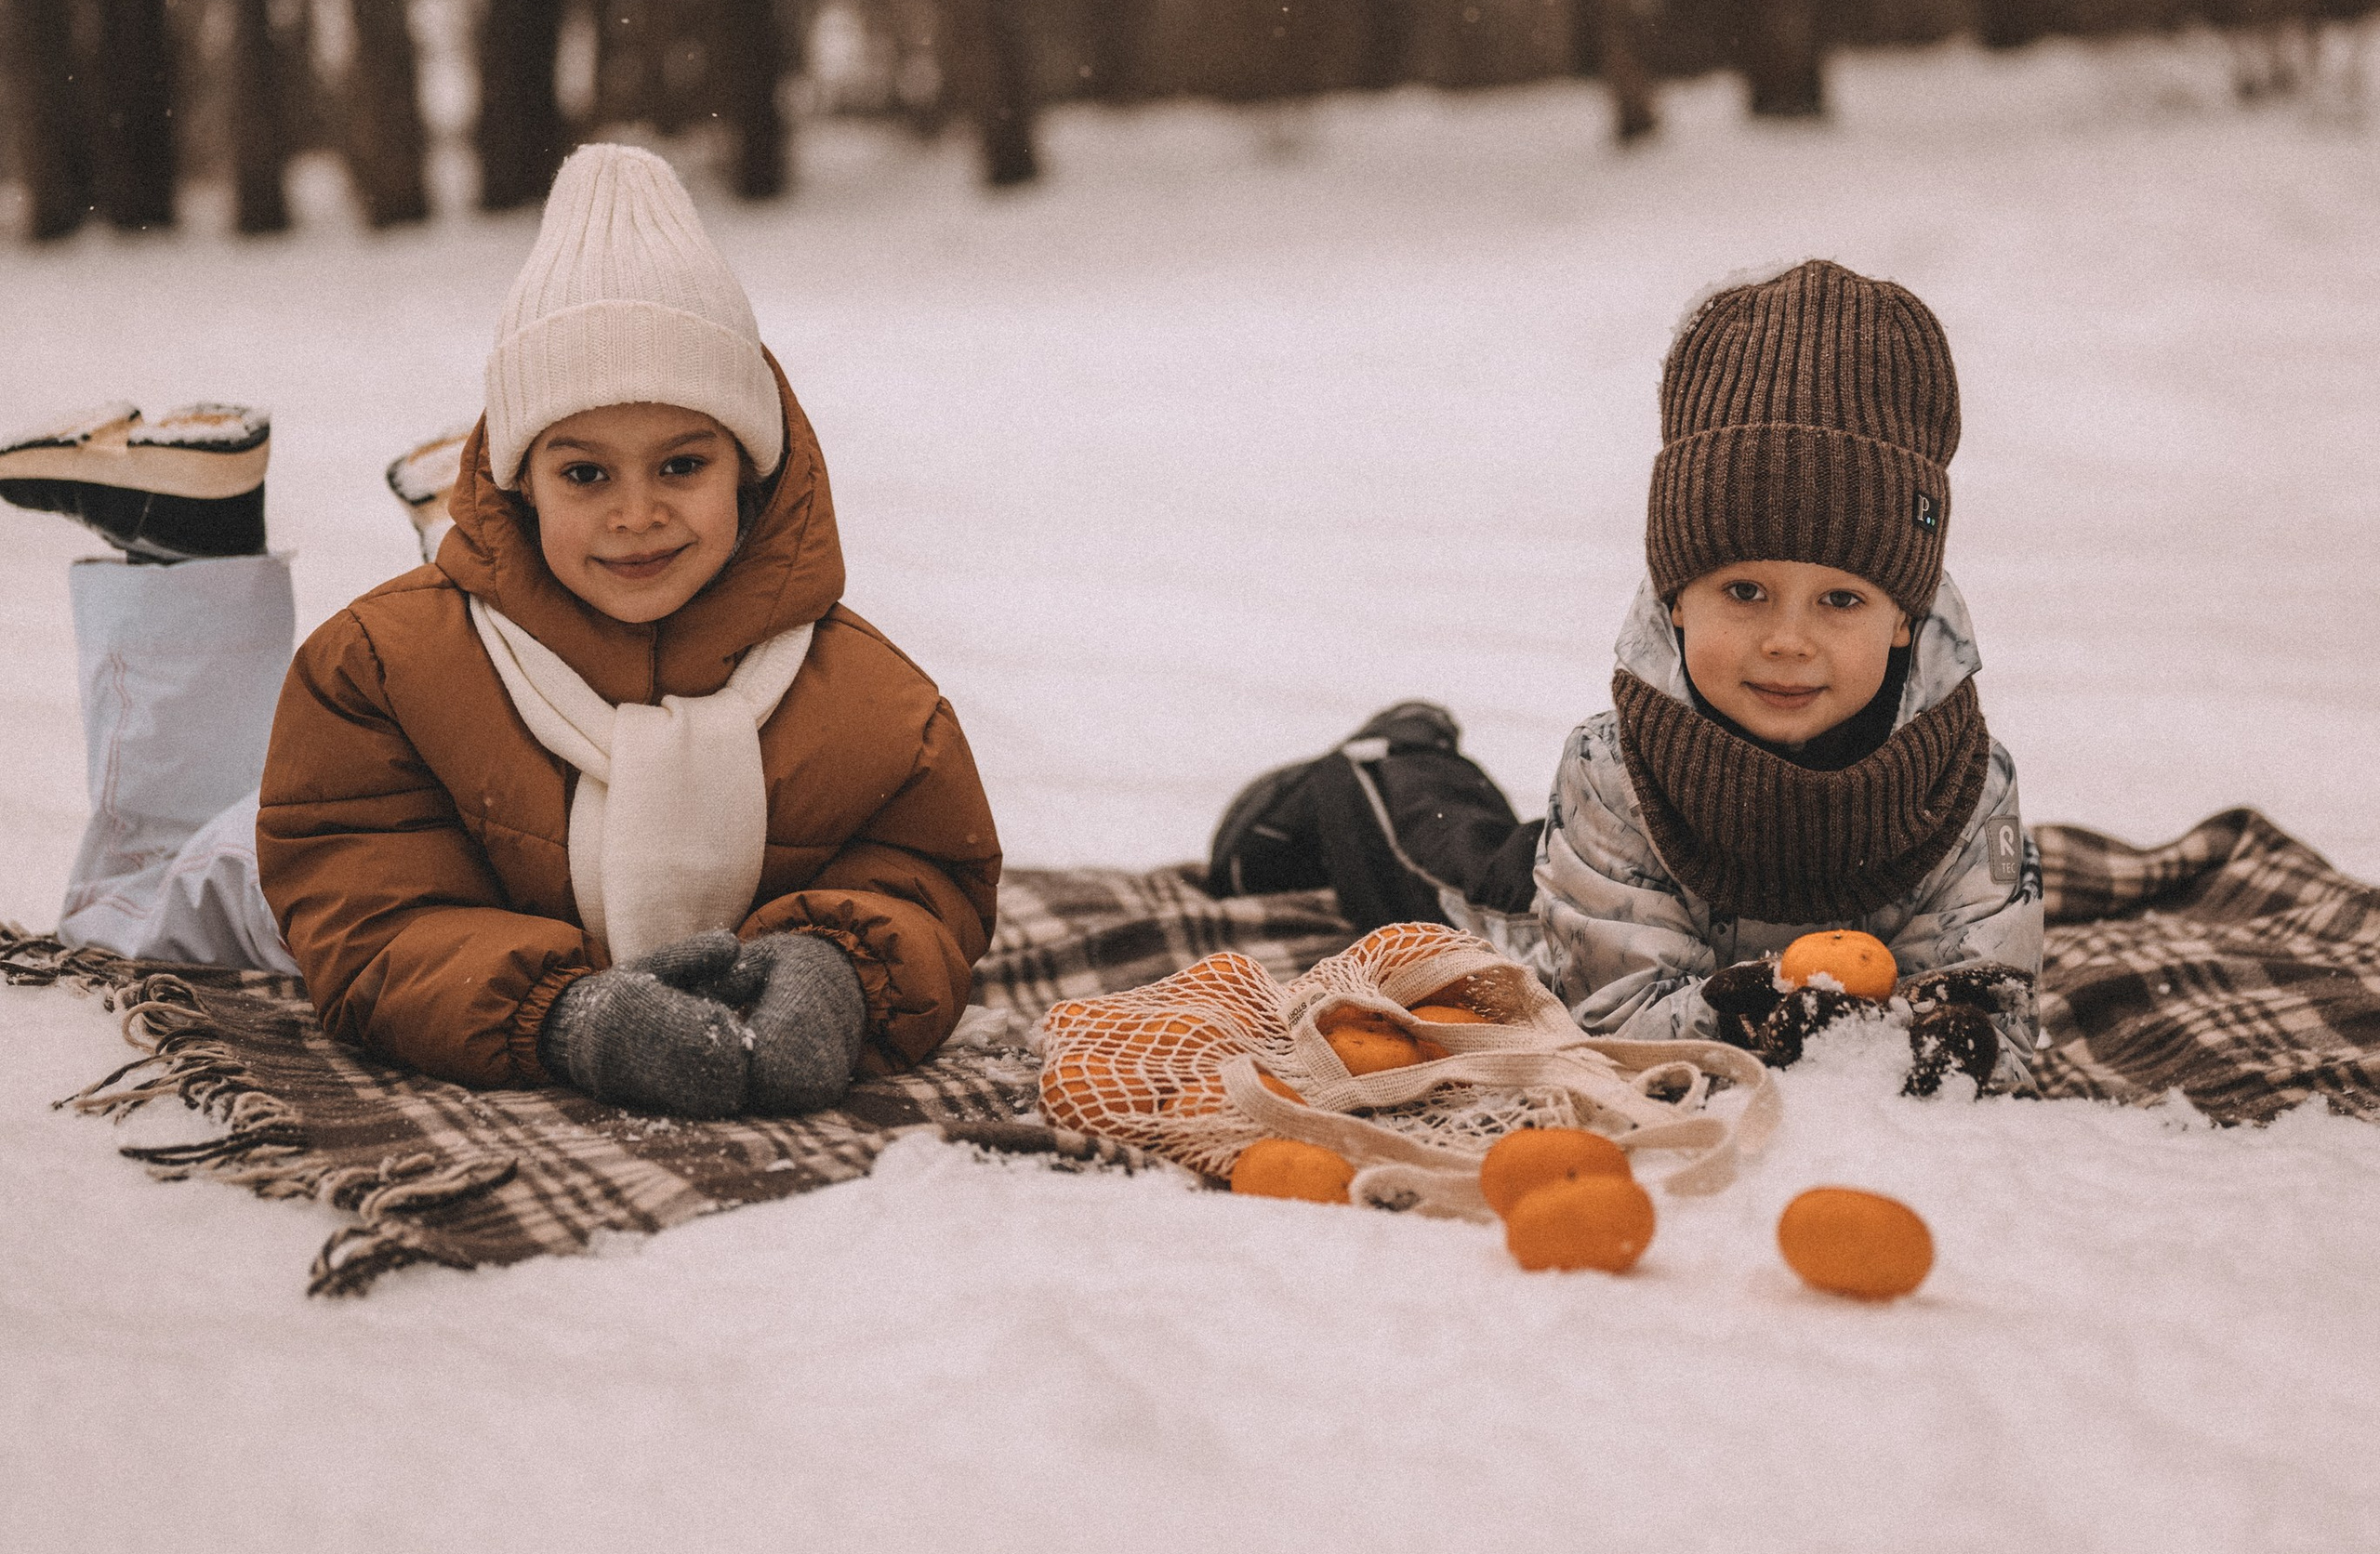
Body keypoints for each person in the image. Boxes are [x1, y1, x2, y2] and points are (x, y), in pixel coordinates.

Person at [4, 145, 1000, 1117]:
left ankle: (398, 536)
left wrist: (843, 969)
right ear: (519, 482)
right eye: (585, 473)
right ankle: (190, 553)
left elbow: (923, 878)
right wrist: (558, 1012)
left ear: (753, 466)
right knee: (121, 919)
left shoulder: (877, 702)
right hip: (270, 883)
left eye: (681, 466)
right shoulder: (379, 672)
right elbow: (368, 918)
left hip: (486, 735)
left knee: (523, 613)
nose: (638, 512)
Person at [1206, 259, 2043, 1091]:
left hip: (1729, 949)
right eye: (1744, 592)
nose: (1789, 640)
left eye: (1840, 600)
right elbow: (1610, 1011)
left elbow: (1991, 998)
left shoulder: (1964, 780)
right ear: (1678, 599)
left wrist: (1954, 1040)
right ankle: (1376, 765)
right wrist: (1757, 1020)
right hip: (1557, 917)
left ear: (1905, 615)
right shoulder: (1614, 769)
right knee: (1433, 861)